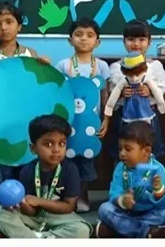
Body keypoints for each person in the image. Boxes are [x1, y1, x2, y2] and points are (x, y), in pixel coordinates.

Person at [0, 1, 51, 183]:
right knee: (4, 160)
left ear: (19, 25)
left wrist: (44, 66)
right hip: (0, 117)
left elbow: (39, 84)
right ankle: (4, 197)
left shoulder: (30, 53)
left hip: (27, 115)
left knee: (27, 157)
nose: (3, 27)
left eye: (9, 22)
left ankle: (28, 196)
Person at [0, 115, 92, 238]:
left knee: (82, 230)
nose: (56, 150)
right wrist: (24, 204)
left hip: (60, 217)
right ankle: (41, 237)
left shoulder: (70, 169)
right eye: (48, 144)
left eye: (62, 143)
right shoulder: (27, 171)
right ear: (33, 148)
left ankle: (32, 236)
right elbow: (31, 212)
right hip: (34, 218)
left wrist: (39, 201)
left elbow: (68, 207)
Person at [55, 17, 111, 212]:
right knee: (67, 160)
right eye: (78, 34)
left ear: (97, 41)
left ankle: (82, 194)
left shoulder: (101, 66)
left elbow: (106, 95)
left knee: (87, 160)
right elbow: (58, 94)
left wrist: (106, 119)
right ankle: (67, 196)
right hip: (69, 122)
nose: (84, 39)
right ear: (70, 40)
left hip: (91, 124)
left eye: (89, 35)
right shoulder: (63, 65)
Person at [96, 121, 165, 238]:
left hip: (150, 213)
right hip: (126, 213)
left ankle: (118, 230)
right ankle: (146, 232)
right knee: (104, 209)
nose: (122, 153)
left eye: (127, 149)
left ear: (146, 151)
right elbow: (114, 193)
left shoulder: (158, 170)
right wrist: (122, 201)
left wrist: (159, 191)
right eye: (120, 149)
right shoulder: (120, 168)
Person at [108, 19, 165, 159]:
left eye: (141, 40)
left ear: (149, 42)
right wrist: (122, 94)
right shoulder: (117, 67)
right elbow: (111, 91)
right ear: (124, 41)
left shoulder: (155, 66)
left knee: (150, 151)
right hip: (124, 116)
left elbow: (163, 88)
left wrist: (151, 92)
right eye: (131, 39)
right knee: (125, 152)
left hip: (149, 116)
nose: (136, 44)